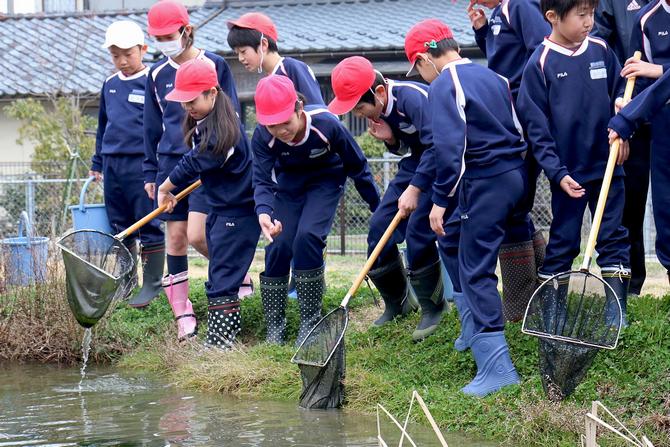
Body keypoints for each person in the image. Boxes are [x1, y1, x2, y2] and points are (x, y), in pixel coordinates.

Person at [405, 18, 527, 396]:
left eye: (418, 68)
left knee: (476, 270)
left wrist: (440, 201)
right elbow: (519, 130)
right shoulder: (495, 77)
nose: (421, 76)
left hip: (484, 180)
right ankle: (473, 329)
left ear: (426, 58)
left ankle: (497, 368)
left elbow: (450, 150)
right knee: (458, 242)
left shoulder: (444, 84)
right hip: (513, 175)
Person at [517, 0, 631, 325]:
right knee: (564, 239)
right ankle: (553, 312)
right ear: (552, 17)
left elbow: (621, 86)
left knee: (613, 234)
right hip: (568, 177)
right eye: (581, 15)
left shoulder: (600, 50)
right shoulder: (539, 64)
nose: (589, 21)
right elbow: (537, 132)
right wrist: (557, 172)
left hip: (609, 166)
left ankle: (616, 313)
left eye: (592, 13)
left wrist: (623, 115)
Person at [252, 75, 380, 345]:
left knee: (307, 236)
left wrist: (377, 207)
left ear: (298, 108)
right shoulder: (264, 136)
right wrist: (264, 212)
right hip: (289, 184)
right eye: (272, 126)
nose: (280, 131)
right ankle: (275, 324)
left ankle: (310, 322)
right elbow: (262, 180)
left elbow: (358, 167)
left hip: (326, 179)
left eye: (285, 122)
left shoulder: (327, 124)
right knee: (278, 243)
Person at [328, 56, 446, 342]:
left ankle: (433, 307)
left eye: (360, 106)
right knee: (379, 226)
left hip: (442, 165)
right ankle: (399, 302)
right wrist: (390, 140)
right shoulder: (380, 111)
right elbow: (409, 146)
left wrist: (415, 189)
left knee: (418, 231)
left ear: (379, 93)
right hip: (417, 163)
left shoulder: (413, 98)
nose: (358, 113)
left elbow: (436, 145)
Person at [143, 0, 242, 337]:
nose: (162, 42)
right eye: (156, 37)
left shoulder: (213, 65)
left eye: (167, 35)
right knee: (176, 236)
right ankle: (182, 311)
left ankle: (233, 273)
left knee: (200, 234)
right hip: (172, 164)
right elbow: (151, 128)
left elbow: (230, 114)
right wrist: (152, 174)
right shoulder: (155, 73)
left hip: (206, 158)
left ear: (186, 31)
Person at [158, 59, 259, 347]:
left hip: (238, 211)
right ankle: (220, 340)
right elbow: (198, 162)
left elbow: (195, 161)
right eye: (183, 101)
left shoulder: (222, 131)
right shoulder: (206, 121)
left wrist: (166, 187)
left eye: (193, 100)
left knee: (223, 279)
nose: (188, 106)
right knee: (218, 275)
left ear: (212, 93)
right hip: (220, 206)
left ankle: (221, 342)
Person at [467, 0, 551, 321]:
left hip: (524, 114)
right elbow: (501, 58)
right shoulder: (498, 14)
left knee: (515, 205)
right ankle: (538, 287)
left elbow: (540, 50)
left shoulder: (519, 6)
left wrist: (525, 99)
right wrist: (482, 31)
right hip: (510, 112)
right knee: (518, 206)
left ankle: (519, 303)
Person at [89, 20, 165, 308]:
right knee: (119, 225)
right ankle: (127, 281)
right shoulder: (109, 85)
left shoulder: (153, 81)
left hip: (142, 165)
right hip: (112, 164)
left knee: (148, 222)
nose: (122, 61)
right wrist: (97, 161)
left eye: (128, 54)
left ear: (143, 49)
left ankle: (153, 284)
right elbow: (102, 126)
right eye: (115, 55)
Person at [593, 0, 652, 296]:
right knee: (631, 204)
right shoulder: (612, 3)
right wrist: (618, 112)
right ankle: (632, 284)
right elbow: (599, 49)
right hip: (630, 109)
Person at [619, 0, 670, 289]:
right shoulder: (647, 18)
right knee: (665, 206)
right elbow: (636, 76)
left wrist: (657, 70)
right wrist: (624, 104)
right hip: (663, 121)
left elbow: (651, 71)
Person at [226, 12, 324, 105]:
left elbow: (317, 110)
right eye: (237, 53)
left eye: (243, 51)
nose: (240, 58)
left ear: (263, 44)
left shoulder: (291, 68)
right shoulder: (268, 79)